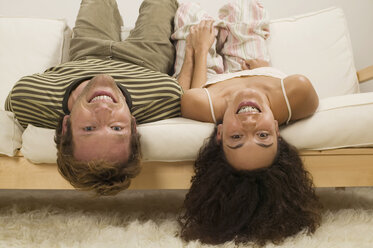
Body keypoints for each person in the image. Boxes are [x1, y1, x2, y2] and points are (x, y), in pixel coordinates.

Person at [172, 1, 322, 245]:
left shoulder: (209, 106)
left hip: (213, 78)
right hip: (252, 65)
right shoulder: (297, 94)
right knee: (245, 7)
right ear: (276, 128)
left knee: (189, 15)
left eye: (236, 138)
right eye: (263, 136)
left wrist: (201, 50)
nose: (249, 125)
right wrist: (267, 71)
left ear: (219, 133)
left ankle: (204, 43)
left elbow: (192, 96)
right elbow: (294, 83)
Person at [4, 0, 182, 195]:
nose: (104, 111)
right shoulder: (164, 96)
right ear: (133, 125)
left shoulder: (29, 99)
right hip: (144, 59)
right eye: (116, 128)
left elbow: (17, 97)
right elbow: (178, 90)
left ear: (65, 125)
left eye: (89, 128)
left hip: (87, 53)